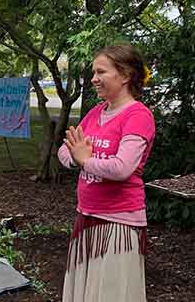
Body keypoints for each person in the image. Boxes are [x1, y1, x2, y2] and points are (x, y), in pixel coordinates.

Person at [58, 44, 155, 302]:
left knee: (110, 294)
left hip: (118, 223)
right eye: (93, 72)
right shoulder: (95, 113)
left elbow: (122, 168)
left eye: (101, 72)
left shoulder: (138, 116)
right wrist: (79, 159)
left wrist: (85, 160)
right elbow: (65, 152)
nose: (93, 79)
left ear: (124, 75)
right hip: (87, 218)